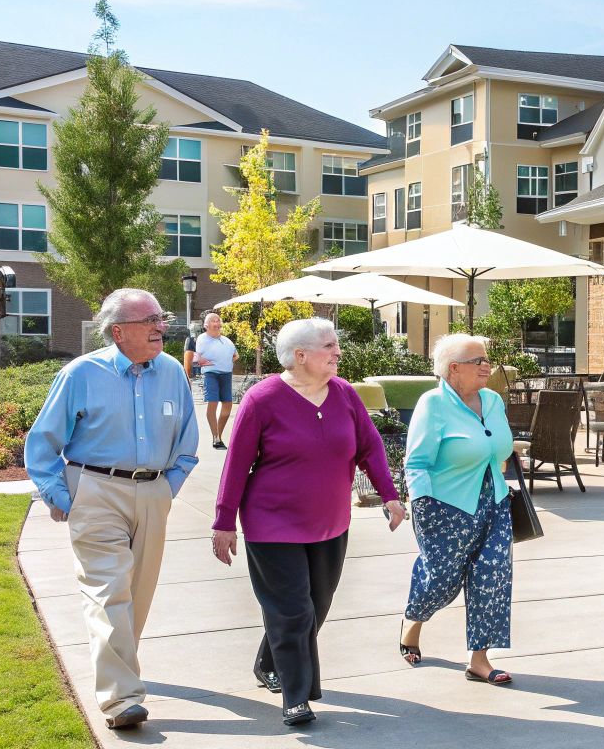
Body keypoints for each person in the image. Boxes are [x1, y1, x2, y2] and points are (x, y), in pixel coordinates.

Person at [211, 318, 406, 727]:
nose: (338, 352)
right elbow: (236, 465)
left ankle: (269, 659)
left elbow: (369, 446)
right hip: (272, 524)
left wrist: (390, 495)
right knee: (292, 611)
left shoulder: (344, 394)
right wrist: (223, 522)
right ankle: (296, 696)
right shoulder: (262, 399)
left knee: (315, 605)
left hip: (330, 522)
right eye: (329, 346)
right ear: (300, 356)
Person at [25, 288, 199, 731]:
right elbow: (43, 443)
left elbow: (186, 439)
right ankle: (121, 699)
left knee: (136, 593)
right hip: (96, 490)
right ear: (118, 331)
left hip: (154, 491)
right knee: (107, 591)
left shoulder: (172, 374)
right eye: (151, 320)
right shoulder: (81, 373)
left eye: (162, 317)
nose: (162, 326)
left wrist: (169, 486)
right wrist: (63, 496)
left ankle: (120, 667)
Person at [398, 332, 516, 685]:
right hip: (444, 505)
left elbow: (501, 447)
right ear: (454, 369)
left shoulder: (493, 400)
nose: (486, 366)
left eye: (486, 359)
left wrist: (498, 469)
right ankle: (413, 621)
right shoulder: (433, 404)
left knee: (492, 575)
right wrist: (421, 505)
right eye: (477, 361)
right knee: (441, 579)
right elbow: (416, 462)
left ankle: (479, 659)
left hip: (493, 500)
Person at [184, 311, 238, 450]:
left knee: (227, 405)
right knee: (212, 402)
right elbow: (199, 357)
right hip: (211, 374)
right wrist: (211, 363)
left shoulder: (227, 341)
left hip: (226, 374)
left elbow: (235, 356)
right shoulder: (201, 339)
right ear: (206, 325)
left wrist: (224, 362)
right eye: (213, 320)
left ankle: (218, 435)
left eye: (218, 320)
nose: (217, 323)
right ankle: (216, 437)